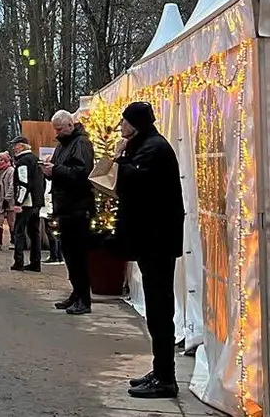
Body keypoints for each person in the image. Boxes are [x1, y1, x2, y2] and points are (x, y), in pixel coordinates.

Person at [113, 102, 186, 400]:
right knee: (157, 310)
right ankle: (161, 370)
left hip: (157, 241)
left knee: (159, 309)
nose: (120, 126)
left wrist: (119, 160)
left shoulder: (154, 149)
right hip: (152, 240)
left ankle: (166, 378)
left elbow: (136, 182)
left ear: (136, 123)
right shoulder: (146, 145)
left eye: (124, 122)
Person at [42, 109, 96, 315]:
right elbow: (62, 171)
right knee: (70, 255)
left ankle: (84, 298)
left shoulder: (81, 144)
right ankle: (76, 293)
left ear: (70, 126)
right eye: (55, 129)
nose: (57, 133)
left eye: (59, 129)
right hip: (66, 207)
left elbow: (82, 173)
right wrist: (50, 171)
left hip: (78, 208)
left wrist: (55, 170)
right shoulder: (63, 145)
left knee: (78, 256)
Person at [10, 137, 46, 272]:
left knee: (19, 232)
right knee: (34, 233)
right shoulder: (36, 159)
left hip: (26, 202)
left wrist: (18, 202)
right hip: (37, 202)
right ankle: (36, 262)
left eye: (15, 145)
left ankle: (18, 262)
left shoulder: (23, 161)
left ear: (21, 146)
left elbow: (23, 183)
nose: (14, 148)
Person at [0, 152, 14, 251]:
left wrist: (7, 198)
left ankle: (13, 241)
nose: (0, 162)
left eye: (2, 160)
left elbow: (12, 186)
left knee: (12, 222)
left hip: (9, 200)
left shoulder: (11, 171)